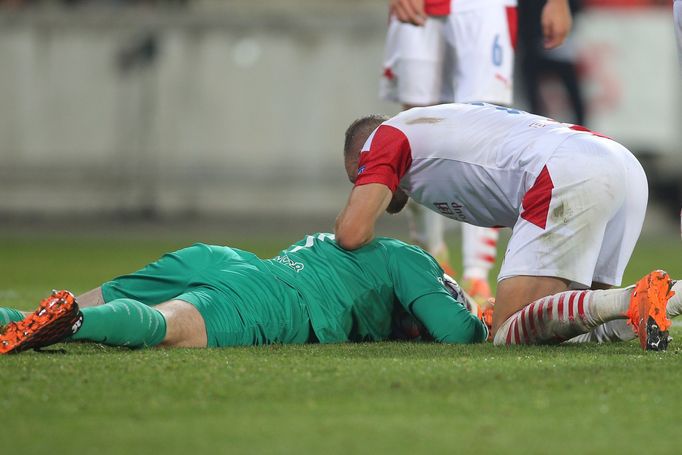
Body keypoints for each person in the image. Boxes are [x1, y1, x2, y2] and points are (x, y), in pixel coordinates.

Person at [335, 101, 673, 350]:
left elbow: (351, 234)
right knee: (582, 325)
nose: (362, 185)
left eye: (359, 176)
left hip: (568, 169)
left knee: (510, 331)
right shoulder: (430, 126)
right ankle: (664, 297)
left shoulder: (384, 138)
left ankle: (631, 299)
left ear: (363, 153)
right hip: (618, 163)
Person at [0, 234, 489, 354]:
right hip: (278, 293)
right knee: (170, 329)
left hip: (229, 259)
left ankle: (29, 316)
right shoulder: (412, 259)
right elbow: (453, 330)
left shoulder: (354, 247)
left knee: (34, 313)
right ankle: (76, 323)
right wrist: (481, 321)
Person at [379, 0, 573, 303]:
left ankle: (477, 276)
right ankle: (430, 261)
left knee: (487, 130)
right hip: (421, 10)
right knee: (415, 128)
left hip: (484, 8)